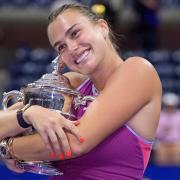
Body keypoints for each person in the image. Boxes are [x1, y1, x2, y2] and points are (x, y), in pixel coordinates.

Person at [0, 2, 162, 180]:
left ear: (102, 27)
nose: (72, 48)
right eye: (61, 47)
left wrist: (7, 148)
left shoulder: (138, 71)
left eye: (75, 33)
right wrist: (28, 114)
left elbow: (76, 143)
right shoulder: (72, 84)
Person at [154, 92, 180, 165]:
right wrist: (163, 131)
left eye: (172, 106)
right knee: (161, 162)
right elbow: (155, 133)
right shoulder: (160, 116)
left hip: (177, 144)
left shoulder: (179, 116)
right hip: (162, 144)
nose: (170, 108)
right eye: (168, 106)